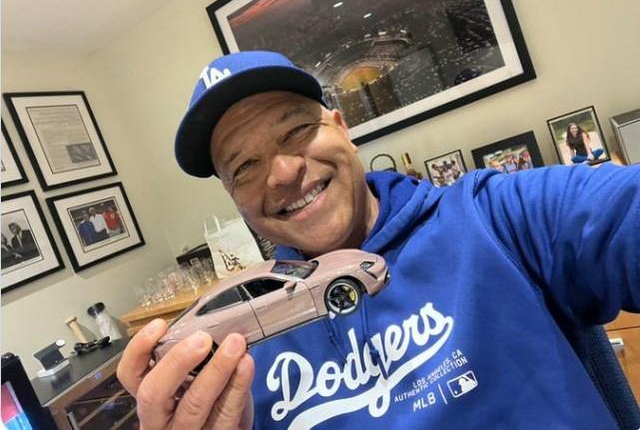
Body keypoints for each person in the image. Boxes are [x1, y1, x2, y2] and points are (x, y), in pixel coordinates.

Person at [117, 51, 639, 430]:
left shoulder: (497, 219)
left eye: (295, 131)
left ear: (342, 128)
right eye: (244, 166)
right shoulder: (235, 355)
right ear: (233, 196)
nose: (281, 172)